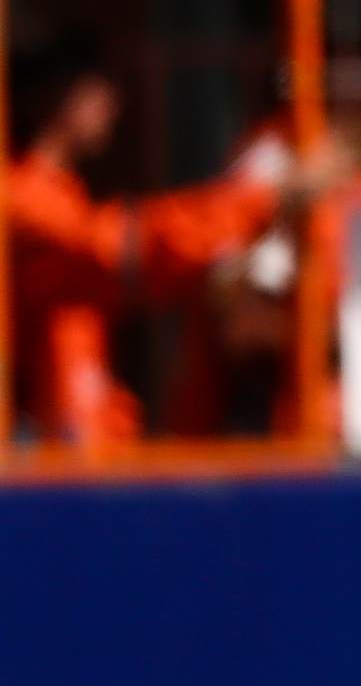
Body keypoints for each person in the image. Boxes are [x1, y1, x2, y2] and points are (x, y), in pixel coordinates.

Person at [7, 27, 326, 452]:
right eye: (93, 86)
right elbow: (121, 251)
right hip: (38, 474)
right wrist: (268, 200)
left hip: (70, 459)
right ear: (49, 95)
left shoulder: (56, 195)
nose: (111, 101)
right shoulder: (22, 201)